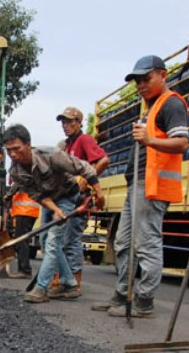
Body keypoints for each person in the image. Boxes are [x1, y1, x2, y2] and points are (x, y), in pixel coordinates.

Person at [91, 55, 188, 318]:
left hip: (152, 184)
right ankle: (122, 296)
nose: (141, 85)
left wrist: (149, 140)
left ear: (162, 75)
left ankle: (144, 301)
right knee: (123, 242)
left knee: (146, 244)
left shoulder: (171, 104)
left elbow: (181, 143)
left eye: (146, 79)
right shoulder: (149, 106)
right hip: (137, 182)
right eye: (137, 81)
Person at [3, 124, 106, 303]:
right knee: (44, 240)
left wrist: (99, 192)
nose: (12, 154)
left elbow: (86, 169)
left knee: (52, 242)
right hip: (50, 200)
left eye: (16, 149)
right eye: (8, 150)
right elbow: (39, 195)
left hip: (67, 194)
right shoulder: (16, 172)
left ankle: (41, 288)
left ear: (28, 145)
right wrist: (56, 210)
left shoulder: (51, 155)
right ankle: (69, 282)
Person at [56, 106, 110, 293]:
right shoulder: (67, 145)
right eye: (63, 122)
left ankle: (75, 281)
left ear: (79, 123)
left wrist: (86, 180)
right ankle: (66, 279)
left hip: (80, 199)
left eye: (70, 121)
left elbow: (103, 160)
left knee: (71, 240)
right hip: (69, 197)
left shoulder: (84, 140)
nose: (66, 125)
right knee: (63, 239)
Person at [8, 188, 41, 277]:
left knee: (21, 241)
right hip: (27, 211)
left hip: (25, 211)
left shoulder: (23, 176)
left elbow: (18, 183)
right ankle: (24, 269)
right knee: (22, 240)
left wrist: (8, 195)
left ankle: (24, 270)